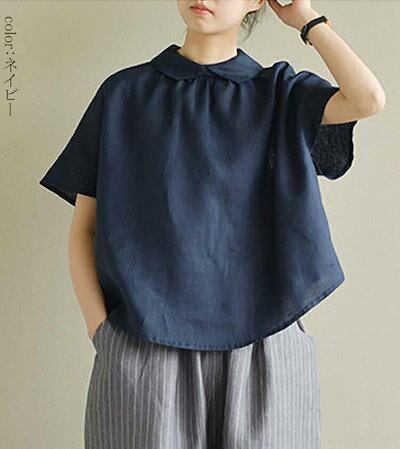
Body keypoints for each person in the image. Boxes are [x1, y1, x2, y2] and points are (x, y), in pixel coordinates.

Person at [39, 1, 385, 448]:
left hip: (265, 346)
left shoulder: (279, 93)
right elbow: (84, 228)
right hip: (145, 342)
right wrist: (102, 333)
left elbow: (367, 98)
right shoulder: (124, 94)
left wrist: (305, 18)